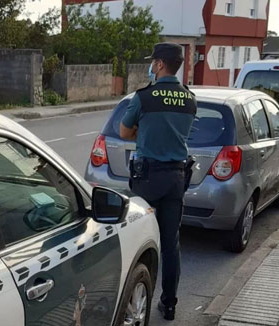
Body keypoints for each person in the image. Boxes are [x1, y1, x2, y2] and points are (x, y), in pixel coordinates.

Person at [119, 42, 197, 321]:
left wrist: (144, 130)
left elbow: (125, 131)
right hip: (176, 178)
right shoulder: (190, 99)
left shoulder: (144, 97)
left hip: (147, 179)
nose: (151, 66)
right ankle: (169, 304)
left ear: (161, 64)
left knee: (138, 239)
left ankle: (130, 299)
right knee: (170, 244)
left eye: (153, 62)